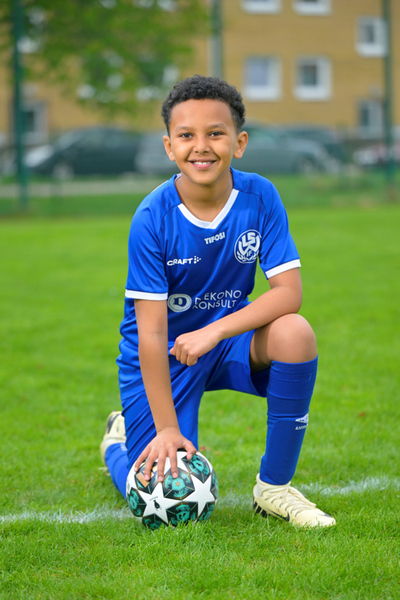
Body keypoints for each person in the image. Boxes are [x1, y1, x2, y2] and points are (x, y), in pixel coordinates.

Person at [100, 75, 335, 527]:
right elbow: (151, 332)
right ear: (169, 147)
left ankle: (274, 488)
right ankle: (118, 443)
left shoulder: (260, 197)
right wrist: (168, 429)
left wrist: (215, 331)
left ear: (239, 143)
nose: (201, 147)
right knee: (159, 492)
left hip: (225, 342)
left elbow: (290, 293)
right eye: (186, 135)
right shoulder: (152, 217)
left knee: (295, 333)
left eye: (215, 133)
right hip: (166, 354)